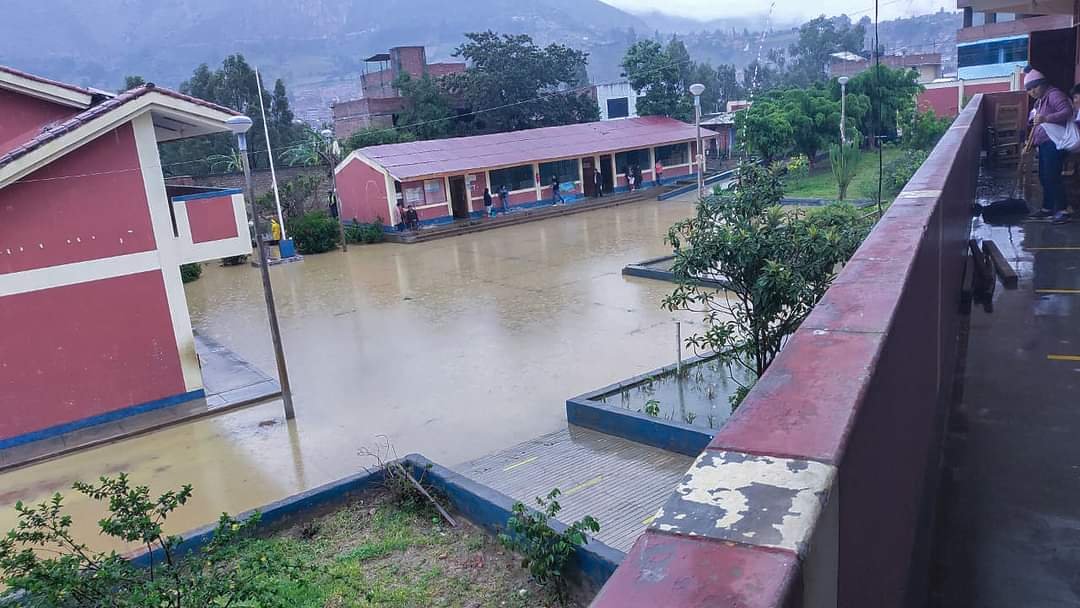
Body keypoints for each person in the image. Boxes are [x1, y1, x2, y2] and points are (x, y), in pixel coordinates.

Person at [1026, 69, 1072, 224]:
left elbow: (1067, 112)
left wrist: (1046, 118)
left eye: (1034, 87)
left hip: (1055, 142)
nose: (1032, 91)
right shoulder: (1040, 101)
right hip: (1044, 143)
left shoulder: (1054, 95)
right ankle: (1047, 208)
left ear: (1043, 84)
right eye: (1029, 90)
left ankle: (1062, 210)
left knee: (1052, 176)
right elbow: (1035, 120)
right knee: (1044, 176)